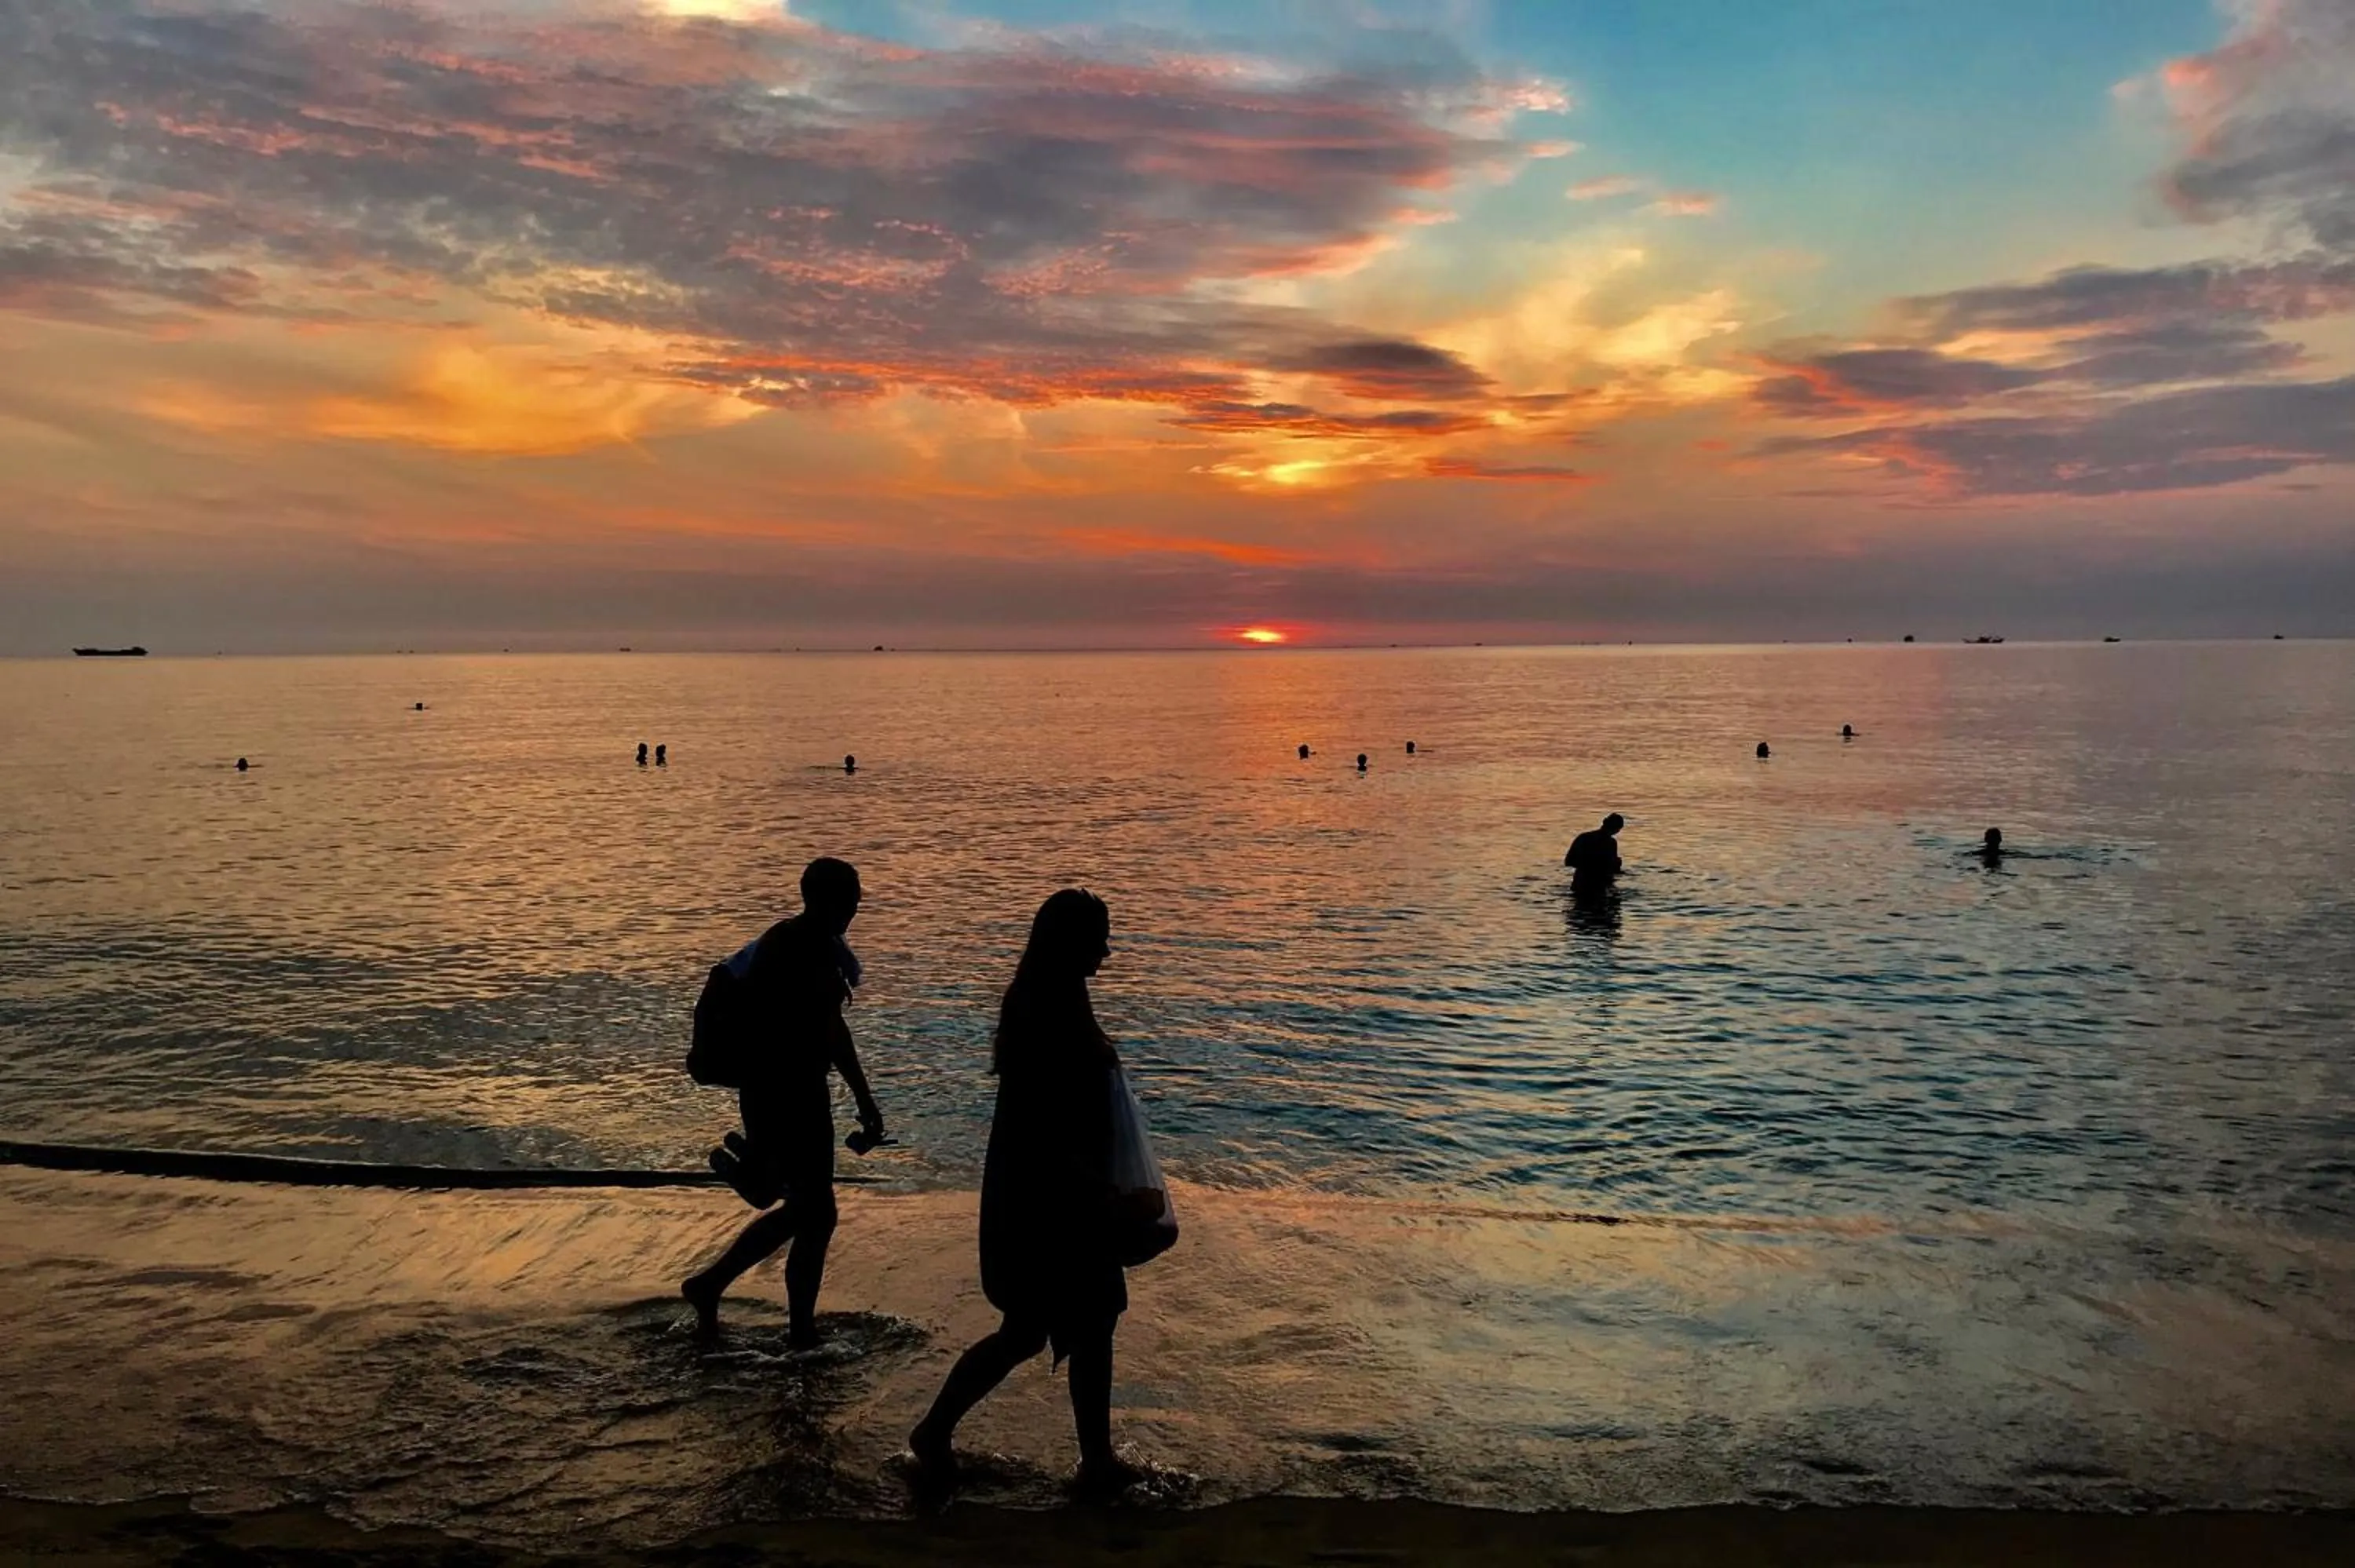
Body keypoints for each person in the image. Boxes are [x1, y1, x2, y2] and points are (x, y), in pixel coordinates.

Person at [908, 889, 1145, 1492]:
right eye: (1099, 938)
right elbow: (1040, 1127)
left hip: (1045, 1192)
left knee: (1055, 1326)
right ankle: (1092, 1461)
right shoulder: (1043, 1010)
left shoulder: (1054, 997)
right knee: (1066, 1324)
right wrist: (1102, 1192)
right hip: (1049, 1199)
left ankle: (945, 1433)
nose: (1108, 950)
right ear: (1071, 942)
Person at [681, 857, 884, 1345]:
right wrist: (865, 1099)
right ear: (825, 899)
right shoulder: (801, 948)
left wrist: (861, 1097)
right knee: (813, 1210)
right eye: (850, 898)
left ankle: (783, 1320)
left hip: (783, 1088)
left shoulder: (805, 943)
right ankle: (723, 1290)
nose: (856, 907)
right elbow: (831, 1033)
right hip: (785, 1093)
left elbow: (825, 1030)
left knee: (813, 1211)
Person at [1564, 813, 1623, 895]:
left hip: (1583, 884)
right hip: (1595, 885)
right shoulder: (1611, 843)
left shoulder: (1583, 837)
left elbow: (1568, 861)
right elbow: (1569, 861)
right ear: (1617, 830)